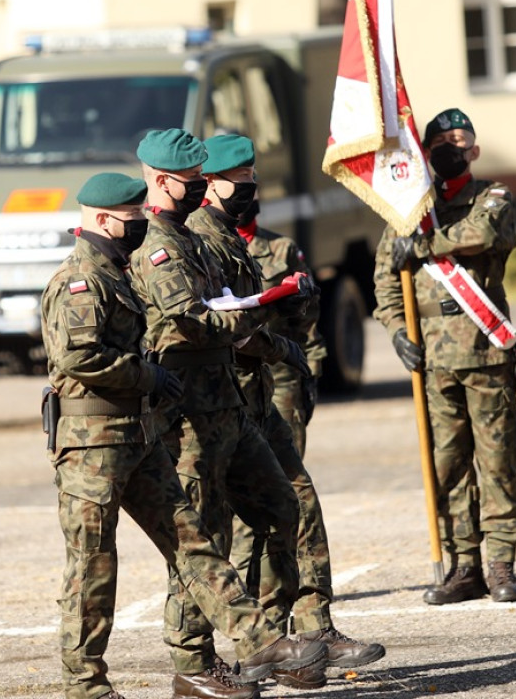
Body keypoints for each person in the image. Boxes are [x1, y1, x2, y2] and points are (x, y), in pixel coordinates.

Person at [40, 172, 328, 699]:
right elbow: (78, 358)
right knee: (93, 567)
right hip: (91, 446)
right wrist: (148, 374)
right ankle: (86, 687)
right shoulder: (81, 279)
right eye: (130, 221)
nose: (138, 228)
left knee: (192, 541)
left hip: (138, 435)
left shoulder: (116, 271)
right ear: (102, 220)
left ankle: (257, 638)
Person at [127, 130, 325, 699]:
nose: (198, 193)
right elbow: (191, 320)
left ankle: (266, 645)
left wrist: (264, 326)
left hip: (228, 407)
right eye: (191, 184)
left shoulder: (192, 240)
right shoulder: (157, 246)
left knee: (280, 506)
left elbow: (222, 311)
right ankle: (194, 663)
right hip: (186, 415)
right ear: (161, 182)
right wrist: (259, 313)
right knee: (200, 536)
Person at [192, 134, 385, 685]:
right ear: (210, 183)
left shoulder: (234, 237)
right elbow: (212, 324)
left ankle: (306, 629)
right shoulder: (201, 241)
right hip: (222, 402)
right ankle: (254, 644)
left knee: (295, 506)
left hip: (257, 399)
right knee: (227, 531)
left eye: (254, 178)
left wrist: (294, 313)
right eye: (242, 179)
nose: (251, 189)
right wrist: (273, 334)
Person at [373, 108, 516, 605]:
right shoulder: (407, 210)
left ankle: (502, 562)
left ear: (474, 150)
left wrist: (421, 244)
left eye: (458, 140)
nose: (448, 147)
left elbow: (482, 235)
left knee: (497, 459)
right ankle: (465, 564)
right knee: (448, 464)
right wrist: (398, 330)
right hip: (432, 358)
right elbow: (385, 280)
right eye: (438, 141)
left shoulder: (492, 197)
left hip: (484, 349)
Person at [235, 191, 327, 459]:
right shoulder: (209, 249)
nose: (246, 198)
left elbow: (308, 315)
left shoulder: (281, 248)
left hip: (281, 371)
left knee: (289, 467)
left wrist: (312, 371)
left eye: (251, 189)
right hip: (234, 377)